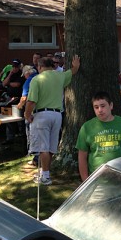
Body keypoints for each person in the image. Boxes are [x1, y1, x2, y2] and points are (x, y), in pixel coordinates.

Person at [24, 55, 81, 185]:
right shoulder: (60, 76)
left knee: (43, 147)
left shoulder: (37, 79)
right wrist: (76, 65)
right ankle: (45, 173)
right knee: (50, 148)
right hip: (57, 115)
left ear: (39, 67)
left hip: (42, 114)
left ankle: (45, 177)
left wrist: (27, 115)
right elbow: (72, 71)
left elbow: (31, 101)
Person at [76, 91, 121, 181]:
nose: (100, 110)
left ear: (111, 105)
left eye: (103, 106)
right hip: (97, 180)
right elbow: (82, 157)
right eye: (96, 107)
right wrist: (85, 181)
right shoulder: (86, 128)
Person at [17, 65, 38, 166]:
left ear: (27, 73)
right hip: (42, 109)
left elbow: (24, 97)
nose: (24, 77)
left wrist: (19, 106)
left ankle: (31, 152)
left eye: (24, 75)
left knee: (29, 130)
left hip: (31, 109)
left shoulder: (28, 81)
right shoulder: (40, 77)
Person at [2, 59, 24, 145]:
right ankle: (9, 138)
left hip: (18, 98)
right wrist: (10, 75)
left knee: (19, 119)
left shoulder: (21, 74)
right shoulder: (9, 73)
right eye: (13, 66)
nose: (14, 68)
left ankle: (22, 137)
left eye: (16, 67)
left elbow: (17, 84)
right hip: (9, 98)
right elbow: (4, 83)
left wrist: (9, 83)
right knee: (7, 118)